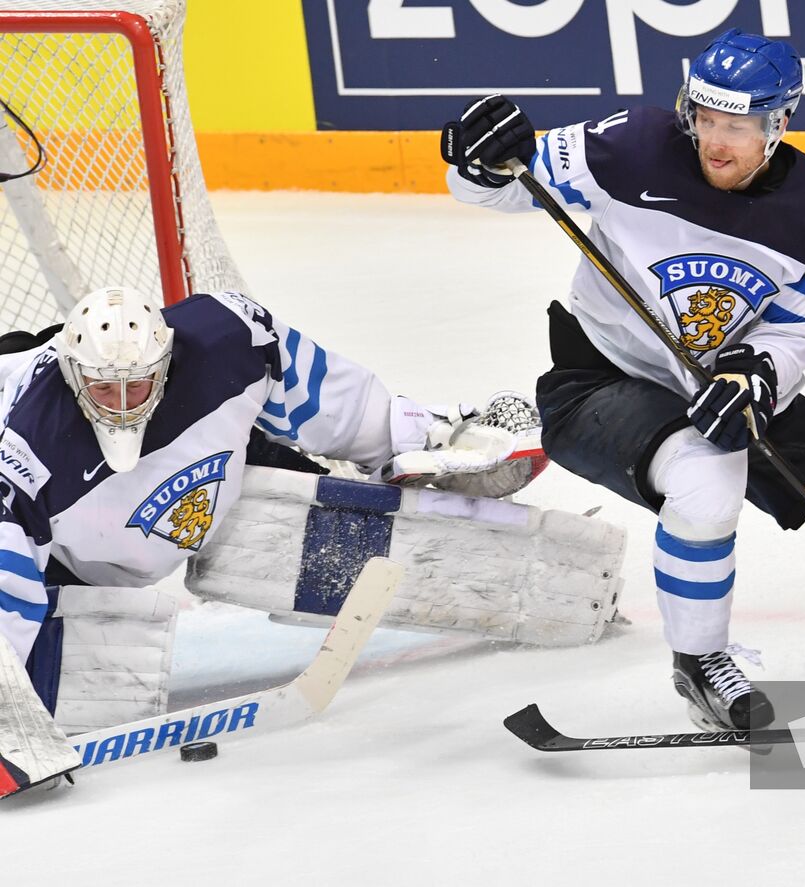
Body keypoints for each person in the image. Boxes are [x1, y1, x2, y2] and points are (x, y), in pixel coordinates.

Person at [440, 29, 805, 732]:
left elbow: (802, 328)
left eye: (737, 126)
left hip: (722, 379)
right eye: (705, 119)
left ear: (778, 124)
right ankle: (701, 665)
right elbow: (510, 182)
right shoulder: (631, 146)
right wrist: (476, 163)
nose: (715, 142)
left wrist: (758, 371)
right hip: (597, 379)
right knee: (708, 475)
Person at [0, 286, 553, 796]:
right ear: (72, 375)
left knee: (323, 514)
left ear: (165, 363)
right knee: (58, 691)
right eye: (103, 388)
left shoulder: (229, 335)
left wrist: (412, 435)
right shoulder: (23, 450)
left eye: (137, 385)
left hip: (212, 465)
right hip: (61, 551)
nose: (121, 403)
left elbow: (326, 400)